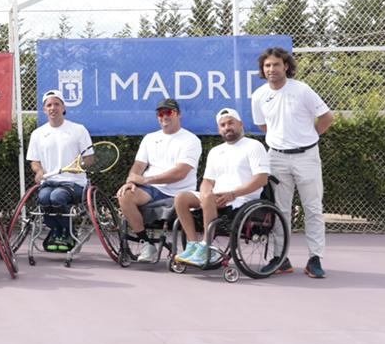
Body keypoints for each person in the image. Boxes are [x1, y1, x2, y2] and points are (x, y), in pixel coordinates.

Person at [250, 46, 333, 278]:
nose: (271, 69)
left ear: (286, 66)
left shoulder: (302, 90)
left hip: (307, 157)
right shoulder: (258, 96)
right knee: (279, 210)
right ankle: (281, 259)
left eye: (276, 64)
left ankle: (315, 259)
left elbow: (327, 118)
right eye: (267, 65)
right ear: (263, 69)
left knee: (313, 209)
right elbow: (263, 126)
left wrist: (309, 137)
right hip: (276, 158)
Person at [174, 108, 271, 267]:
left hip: (242, 199)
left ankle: (206, 247)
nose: (227, 127)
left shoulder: (254, 146)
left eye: (230, 123)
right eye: (223, 125)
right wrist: (205, 194)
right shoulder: (215, 151)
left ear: (240, 124)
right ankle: (193, 246)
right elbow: (207, 181)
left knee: (208, 198)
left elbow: (262, 179)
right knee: (181, 198)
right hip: (215, 197)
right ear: (219, 129)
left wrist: (232, 194)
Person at [116, 97, 203, 264]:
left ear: (178, 114)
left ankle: (193, 248)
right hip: (152, 189)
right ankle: (146, 243)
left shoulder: (191, 140)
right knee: (124, 195)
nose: (164, 116)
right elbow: (138, 165)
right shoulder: (149, 138)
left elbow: (180, 173)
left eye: (168, 112)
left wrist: (146, 180)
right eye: (160, 114)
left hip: (180, 192)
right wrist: (131, 181)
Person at [25, 89, 93, 252]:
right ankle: (56, 231)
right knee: (43, 198)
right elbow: (35, 161)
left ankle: (67, 233)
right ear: (44, 109)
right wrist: (39, 171)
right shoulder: (38, 134)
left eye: (56, 104)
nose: (53, 108)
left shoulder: (78, 130)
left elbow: (90, 159)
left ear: (63, 107)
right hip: (49, 182)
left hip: (74, 183)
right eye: (49, 105)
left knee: (57, 197)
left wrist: (80, 166)